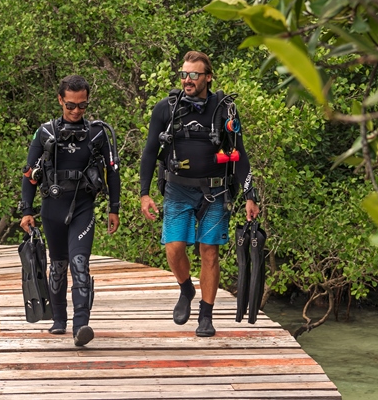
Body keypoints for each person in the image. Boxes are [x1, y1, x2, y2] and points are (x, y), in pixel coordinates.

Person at [140, 51, 260, 337]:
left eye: (194, 74)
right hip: (177, 189)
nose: (187, 80)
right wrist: (144, 194)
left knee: (209, 253)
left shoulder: (225, 110)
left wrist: (249, 195)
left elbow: (239, 155)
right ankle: (186, 288)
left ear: (208, 77)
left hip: (215, 191)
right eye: (184, 74)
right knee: (174, 248)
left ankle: (206, 316)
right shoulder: (164, 109)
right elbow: (149, 153)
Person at [19, 74, 120, 346]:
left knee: (80, 264)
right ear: (60, 100)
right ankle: (59, 320)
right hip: (52, 207)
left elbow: (113, 172)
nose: (76, 111)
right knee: (58, 265)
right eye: (71, 105)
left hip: (83, 208)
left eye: (82, 105)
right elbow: (29, 174)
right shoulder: (45, 133)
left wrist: (114, 208)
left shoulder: (98, 133)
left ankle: (80, 326)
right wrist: (26, 211)